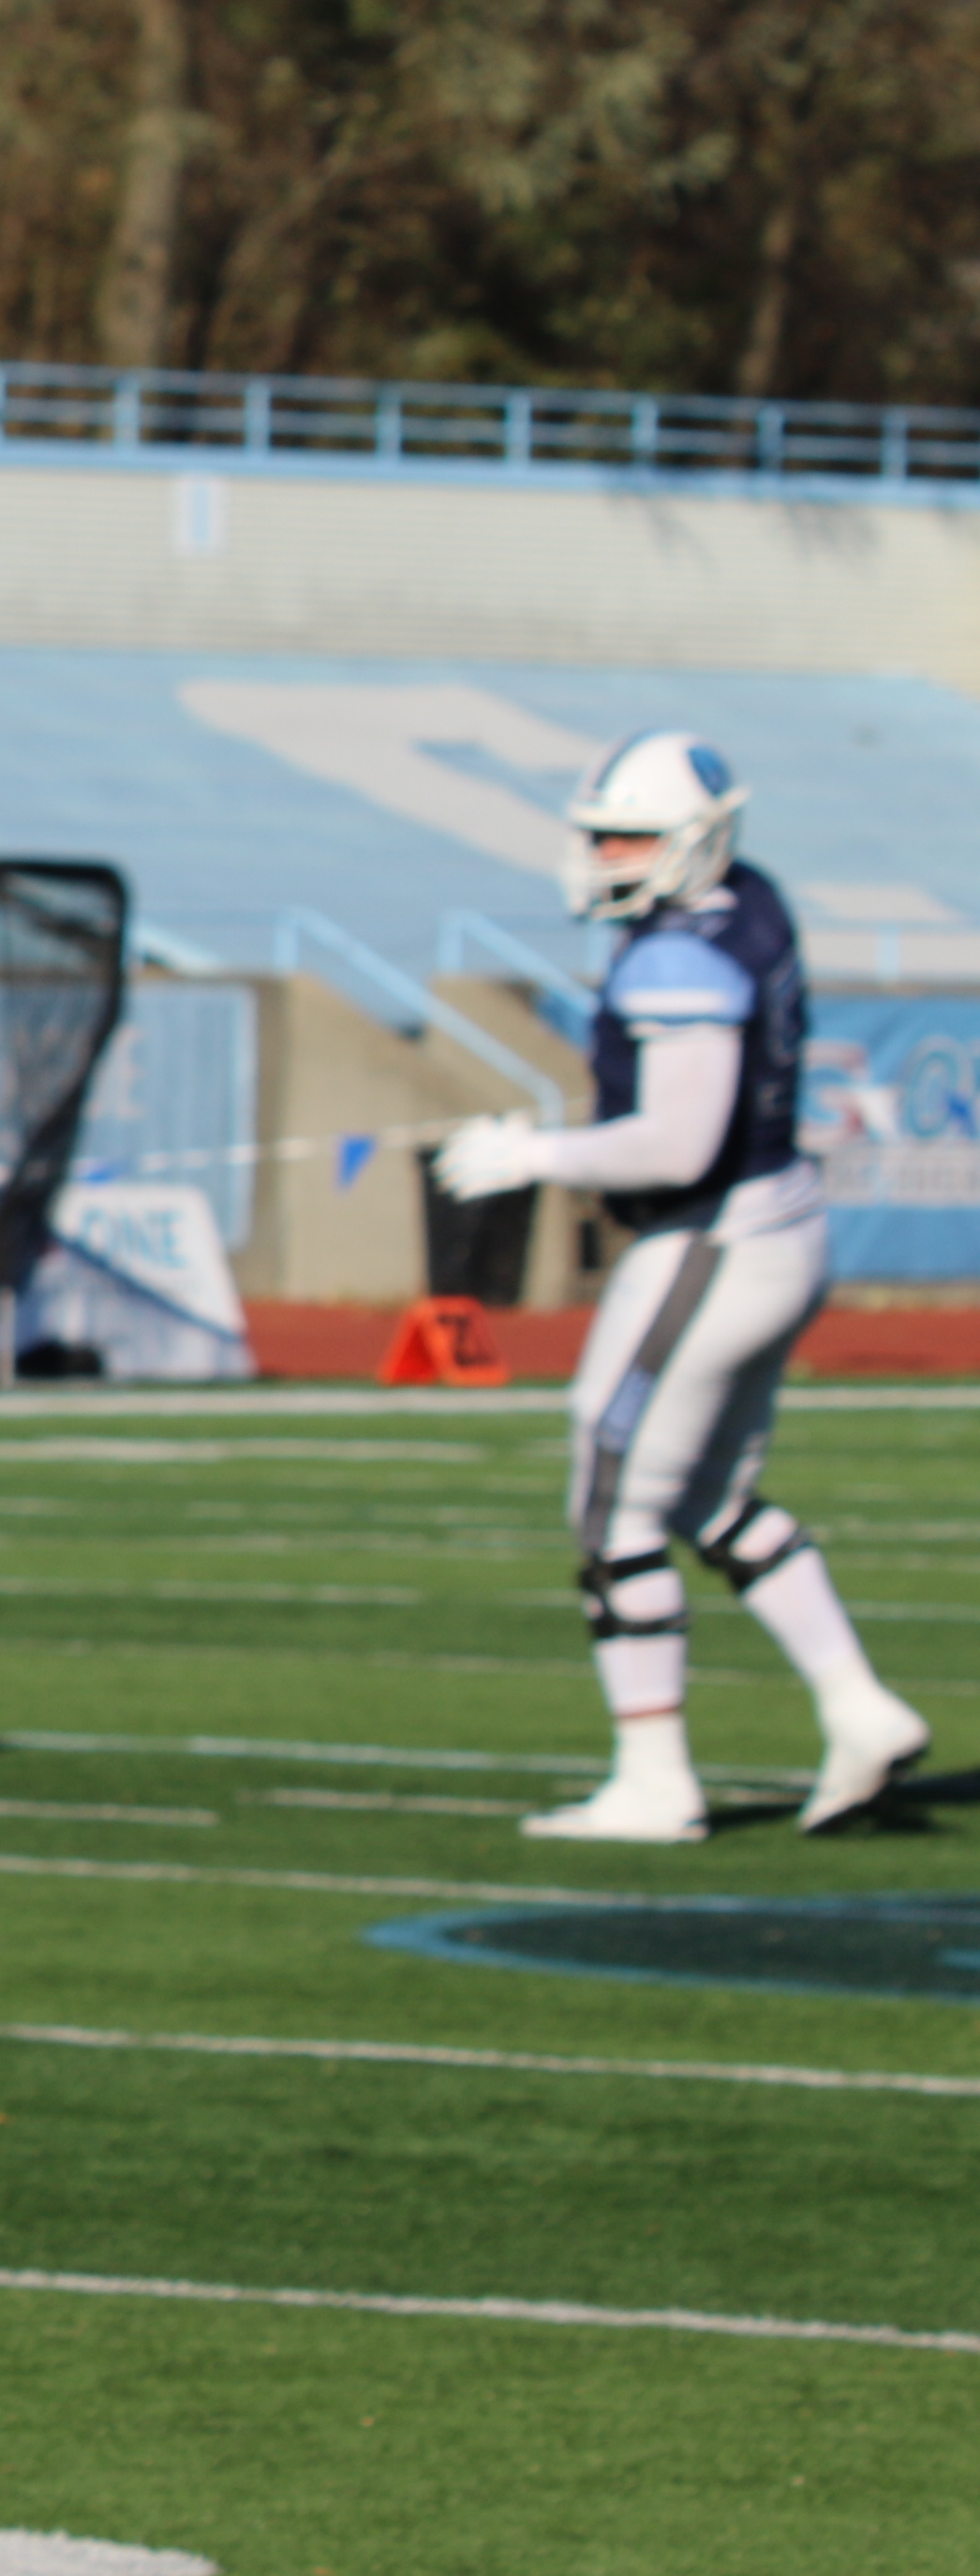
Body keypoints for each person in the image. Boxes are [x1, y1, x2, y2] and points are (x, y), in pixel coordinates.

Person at [429, 733, 930, 1841]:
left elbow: (677, 1142)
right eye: (599, 833)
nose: (603, 856)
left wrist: (535, 1156)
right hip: (778, 1225)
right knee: (707, 1497)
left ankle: (654, 1779)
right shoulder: (750, 902)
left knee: (609, 1495)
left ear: (691, 843)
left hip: (713, 1238)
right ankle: (859, 1707)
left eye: (627, 837)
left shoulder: (677, 958)